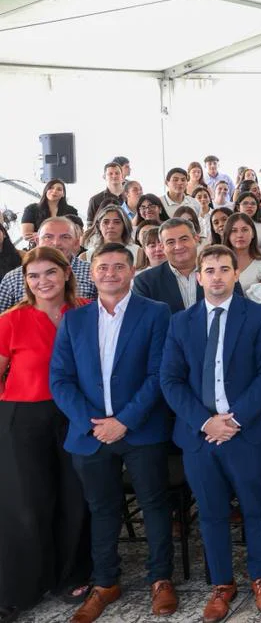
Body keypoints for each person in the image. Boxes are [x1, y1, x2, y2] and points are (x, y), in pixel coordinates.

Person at [48, 244, 177, 622]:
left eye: (119, 266)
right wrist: (92, 423)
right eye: (103, 267)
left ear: (132, 271)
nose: (110, 273)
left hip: (141, 430)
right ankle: (105, 582)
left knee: (154, 505)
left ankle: (161, 579)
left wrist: (124, 421)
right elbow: (60, 379)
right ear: (92, 273)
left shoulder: (156, 313)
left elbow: (159, 373)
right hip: (90, 435)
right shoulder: (74, 320)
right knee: (101, 508)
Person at [159, 245, 261, 623]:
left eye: (224, 269)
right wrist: (205, 422)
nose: (217, 276)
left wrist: (234, 420)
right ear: (199, 277)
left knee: (254, 506)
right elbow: (170, 380)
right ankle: (221, 584)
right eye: (210, 270)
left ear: (235, 274)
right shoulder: (181, 322)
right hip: (199, 435)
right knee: (211, 512)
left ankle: (260, 577)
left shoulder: (258, 316)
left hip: (245, 433)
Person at [0, 248, 91, 620]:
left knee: (74, 496)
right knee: (26, 502)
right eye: (33, 276)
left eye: (50, 272)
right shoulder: (11, 319)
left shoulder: (86, 311)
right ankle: (22, 585)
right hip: (24, 416)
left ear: (66, 273)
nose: (42, 282)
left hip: (76, 414)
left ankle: (71, 575)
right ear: (25, 281)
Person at [133, 219, 242, 313]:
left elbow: (240, 311)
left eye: (184, 239)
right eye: (170, 242)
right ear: (162, 247)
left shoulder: (223, 273)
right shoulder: (145, 282)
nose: (178, 246)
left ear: (196, 239)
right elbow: (144, 323)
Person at [20, 178, 79, 243]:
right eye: (51, 188)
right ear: (46, 191)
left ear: (63, 194)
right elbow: (26, 235)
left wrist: (43, 235)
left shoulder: (71, 211)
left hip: (64, 246)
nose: (54, 191)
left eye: (59, 189)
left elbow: (77, 233)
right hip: (39, 246)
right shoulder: (32, 209)